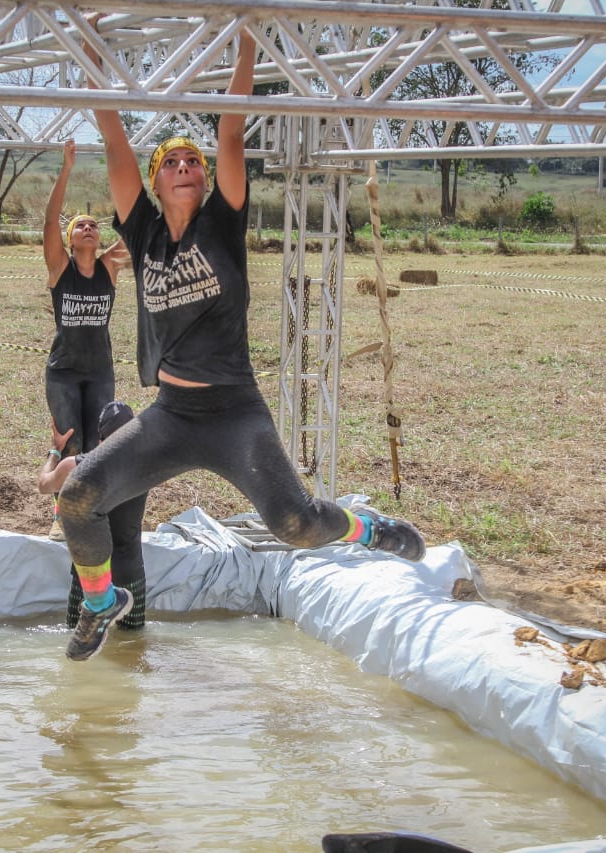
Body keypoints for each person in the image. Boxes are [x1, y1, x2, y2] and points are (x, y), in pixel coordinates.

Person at [55, 25, 426, 662]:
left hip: (234, 414)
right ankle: (98, 603)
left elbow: (231, 128)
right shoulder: (142, 233)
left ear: (204, 178)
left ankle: (370, 529)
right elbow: (112, 138)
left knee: (297, 526)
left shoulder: (222, 224)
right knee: (77, 500)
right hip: (171, 416)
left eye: (191, 161)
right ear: (154, 178)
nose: (183, 167)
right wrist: (97, 72)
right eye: (170, 161)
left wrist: (247, 41)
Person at [42, 138, 130, 542]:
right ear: (71, 238)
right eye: (81, 225)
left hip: (99, 371)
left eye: (94, 224)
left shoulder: (110, 265)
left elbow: (136, 228)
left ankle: (90, 508)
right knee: (68, 439)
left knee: (99, 443)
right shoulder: (61, 267)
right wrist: (65, 170)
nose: (89, 228)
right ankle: (62, 514)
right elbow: (48, 225)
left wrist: (122, 176)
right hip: (62, 372)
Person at [38, 401, 148, 631]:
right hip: (131, 574)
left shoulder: (74, 467)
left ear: (100, 439)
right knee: (133, 645)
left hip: (89, 577)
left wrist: (55, 450)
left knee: (79, 639)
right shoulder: (147, 466)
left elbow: (44, 485)